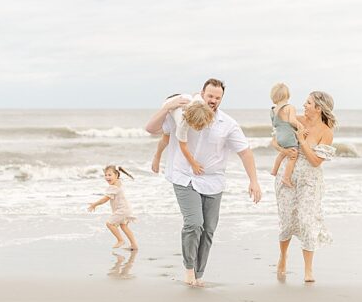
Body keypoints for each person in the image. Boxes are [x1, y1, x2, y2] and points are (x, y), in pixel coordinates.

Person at [144, 78, 261, 287]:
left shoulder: (228, 124)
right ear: (202, 94)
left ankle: (199, 274)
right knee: (194, 223)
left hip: (213, 181)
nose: (213, 100)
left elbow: (245, 152)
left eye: (218, 97)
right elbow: (151, 129)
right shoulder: (184, 113)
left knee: (208, 229)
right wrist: (169, 106)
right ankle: (189, 269)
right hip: (184, 175)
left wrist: (254, 181)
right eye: (210, 96)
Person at [273, 91, 337, 283]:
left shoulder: (326, 132)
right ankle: (283, 257)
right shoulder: (295, 120)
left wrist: (301, 140)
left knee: (306, 220)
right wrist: (284, 150)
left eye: (308, 103)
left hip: (310, 180)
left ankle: (308, 270)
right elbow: (274, 141)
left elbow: (316, 161)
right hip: (287, 176)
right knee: (287, 219)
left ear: (319, 108)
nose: (304, 105)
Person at [87, 165, 138, 250]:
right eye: (106, 175)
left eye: (110, 175)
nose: (107, 177)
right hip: (125, 209)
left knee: (109, 223)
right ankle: (134, 245)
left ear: (116, 175)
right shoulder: (118, 183)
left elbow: (105, 199)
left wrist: (94, 204)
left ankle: (120, 240)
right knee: (124, 226)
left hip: (122, 210)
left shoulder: (113, 187)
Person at [268, 82, 304, 187]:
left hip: (279, 137)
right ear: (287, 95)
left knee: (282, 154)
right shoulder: (289, 107)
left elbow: (275, 125)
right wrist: (301, 127)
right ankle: (286, 178)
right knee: (293, 156)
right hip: (288, 137)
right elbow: (292, 121)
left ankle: (274, 171)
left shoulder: (272, 110)